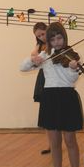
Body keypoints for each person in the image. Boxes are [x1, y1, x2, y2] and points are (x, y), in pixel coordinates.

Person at [20, 22, 84, 167]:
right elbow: (22, 67)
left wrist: (73, 69)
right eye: (53, 39)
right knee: (54, 143)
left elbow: (71, 80)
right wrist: (33, 59)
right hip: (49, 98)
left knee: (70, 140)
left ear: (64, 37)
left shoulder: (73, 56)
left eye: (59, 38)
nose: (57, 42)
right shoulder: (45, 55)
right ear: (48, 41)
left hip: (67, 96)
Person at [31, 22, 50, 154]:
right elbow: (33, 55)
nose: (42, 37)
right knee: (46, 111)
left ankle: (58, 141)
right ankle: (50, 144)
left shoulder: (55, 42)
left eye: (43, 34)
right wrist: (38, 47)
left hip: (53, 78)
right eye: (38, 36)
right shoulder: (40, 45)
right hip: (43, 77)